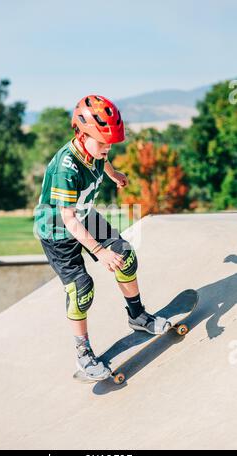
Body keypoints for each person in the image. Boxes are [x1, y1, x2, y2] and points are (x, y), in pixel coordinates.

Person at [34, 95, 170, 381]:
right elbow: (68, 219)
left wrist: (112, 173)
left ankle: (138, 316)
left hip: (85, 216)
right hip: (57, 231)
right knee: (81, 289)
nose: (107, 148)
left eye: (110, 143)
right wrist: (99, 251)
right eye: (102, 143)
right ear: (82, 135)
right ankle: (83, 354)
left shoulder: (97, 149)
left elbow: (102, 159)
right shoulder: (65, 169)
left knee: (126, 257)